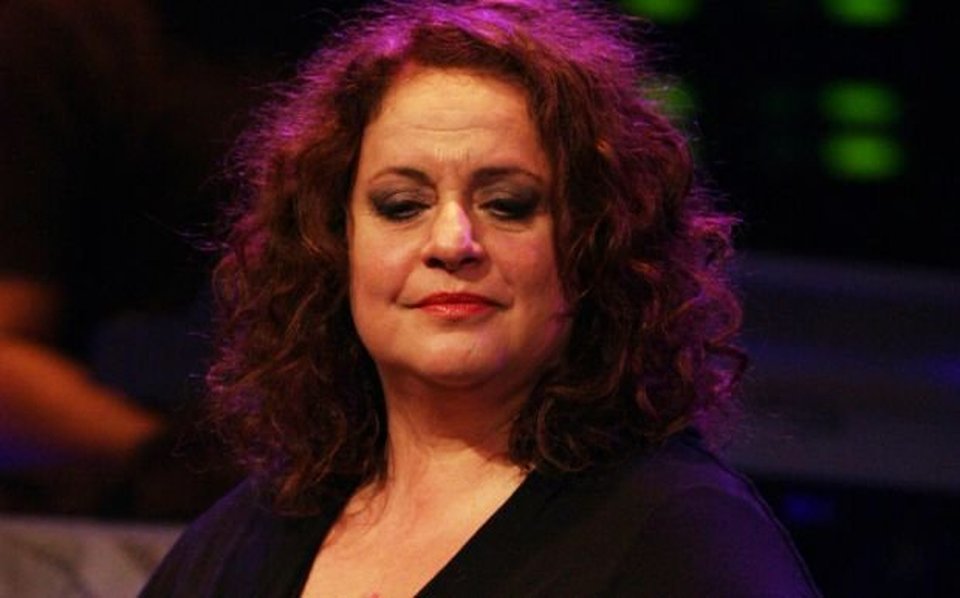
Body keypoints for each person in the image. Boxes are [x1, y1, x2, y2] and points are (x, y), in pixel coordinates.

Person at [143, 0, 821, 595]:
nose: (452, 242)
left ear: (595, 245)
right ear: (334, 244)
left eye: (508, 204)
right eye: (401, 205)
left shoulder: (682, 538)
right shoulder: (244, 539)